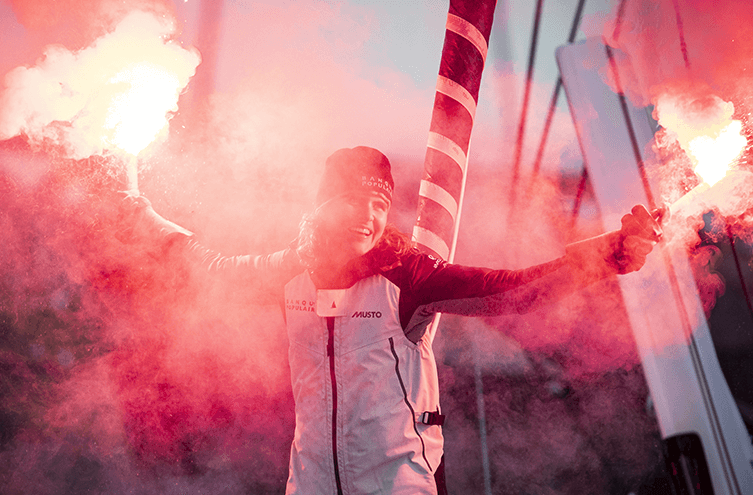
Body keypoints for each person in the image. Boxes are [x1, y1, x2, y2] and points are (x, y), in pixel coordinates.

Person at [131, 146, 663, 495]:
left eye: (379, 204)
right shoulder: (292, 271)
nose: (367, 216)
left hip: (396, 486)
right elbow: (204, 266)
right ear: (322, 208)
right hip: (311, 483)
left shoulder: (407, 276)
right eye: (351, 201)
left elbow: (511, 292)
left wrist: (610, 253)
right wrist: (136, 209)